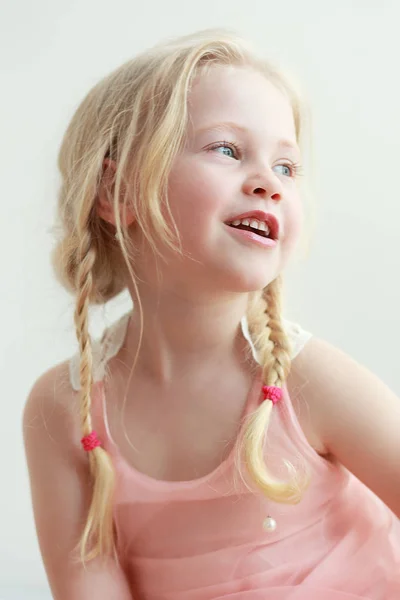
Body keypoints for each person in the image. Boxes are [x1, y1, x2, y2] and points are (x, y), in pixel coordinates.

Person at [23, 29, 400, 600]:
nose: (268, 183)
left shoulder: (307, 381)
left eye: (287, 166)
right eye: (227, 149)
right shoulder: (63, 411)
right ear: (117, 190)